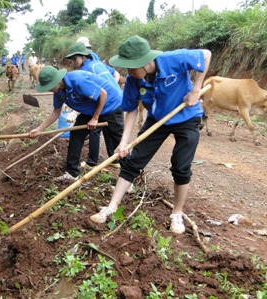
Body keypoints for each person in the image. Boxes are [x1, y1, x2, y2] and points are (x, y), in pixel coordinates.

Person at [89, 35, 211, 235]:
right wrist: (124, 142)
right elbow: (131, 110)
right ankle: (111, 207)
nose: (128, 72)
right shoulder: (133, 80)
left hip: (186, 115)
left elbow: (206, 55)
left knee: (181, 166)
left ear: (144, 62)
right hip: (157, 119)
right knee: (132, 161)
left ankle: (177, 213)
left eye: (131, 67)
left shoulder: (173, 59)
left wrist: (196, 89)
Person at [29, 66, 124, 182]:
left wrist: (95, 118)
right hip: (91, 108)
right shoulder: (59, 91)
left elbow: (103, 94)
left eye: (49, 86)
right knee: (76, 135)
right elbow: (56, 112)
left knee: (118, 142)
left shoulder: (78, 80)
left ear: (58, 80)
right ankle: (72, 173)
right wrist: (39, 129)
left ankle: (129, 179)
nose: (48, 89)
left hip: (111, 105)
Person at [65, 42, 123, 168]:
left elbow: (90, 94)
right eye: (72, 59)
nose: (74, 62)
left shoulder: (86, 70)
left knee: (118, 139)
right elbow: (115, 75)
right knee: (87, 131)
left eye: (75, 59)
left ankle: (130, 177)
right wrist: (114, 86)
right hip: (105, 101)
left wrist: (75, 112)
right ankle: (77, 168)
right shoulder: (98, 64)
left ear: (83, 56)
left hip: (112, 103)